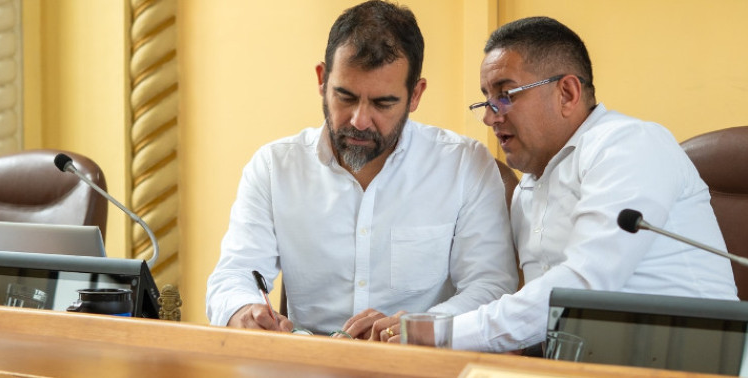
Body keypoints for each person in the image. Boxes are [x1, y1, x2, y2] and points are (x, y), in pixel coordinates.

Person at [400, 16, 738, 352]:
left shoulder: (628, 144)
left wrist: (445, 333)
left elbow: (585, 286)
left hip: (692, 360)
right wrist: (426, 324)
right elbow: (537, 316)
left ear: (567, 92)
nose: (491, 116)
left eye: (504, 95)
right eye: (486, 100)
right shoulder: (527, 192)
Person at [205, 0, 518, 338]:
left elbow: (491, 288)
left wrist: (417, 328)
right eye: (345, 97)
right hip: (306, 364)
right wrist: (244, 311)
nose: (359, 120)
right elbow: (233, 276)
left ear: (415, 95)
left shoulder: (464, 167)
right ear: (322, 81)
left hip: (417, 364)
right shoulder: (273, 168)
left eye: (383, 103)